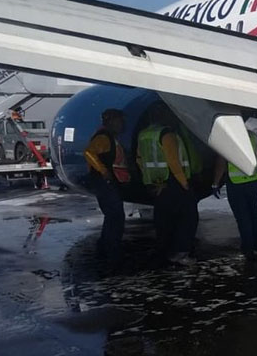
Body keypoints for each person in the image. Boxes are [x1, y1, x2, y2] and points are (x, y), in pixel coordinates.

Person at [137, 106, 197, 266]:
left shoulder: (144, 135)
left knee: (163, 219)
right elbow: (173, 161)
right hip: (173, 181)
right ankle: (181, 253)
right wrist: (184, 183)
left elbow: (139, 159)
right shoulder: (166, 134)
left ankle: (164, 251)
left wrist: (150, 180)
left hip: (157, 182)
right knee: (188, 217)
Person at [83, 108, 131, 267]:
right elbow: (89, 153)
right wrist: (104, 172)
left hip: (109, 181)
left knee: (113, 216)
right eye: (119, 120)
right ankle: (111, 251)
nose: (122, 124)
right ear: (110, 121)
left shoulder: (110, 137)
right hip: (105, 182)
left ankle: (106, 247)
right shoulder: (104, 138)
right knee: (115, 216)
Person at [214, 130, 257, 261]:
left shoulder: (228, 137)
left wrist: (215, 183)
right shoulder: (252, 136)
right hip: (252, 180)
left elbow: (221, 163)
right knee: (255, 215)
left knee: (243, 218)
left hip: (236, 184)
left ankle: (248, 249)